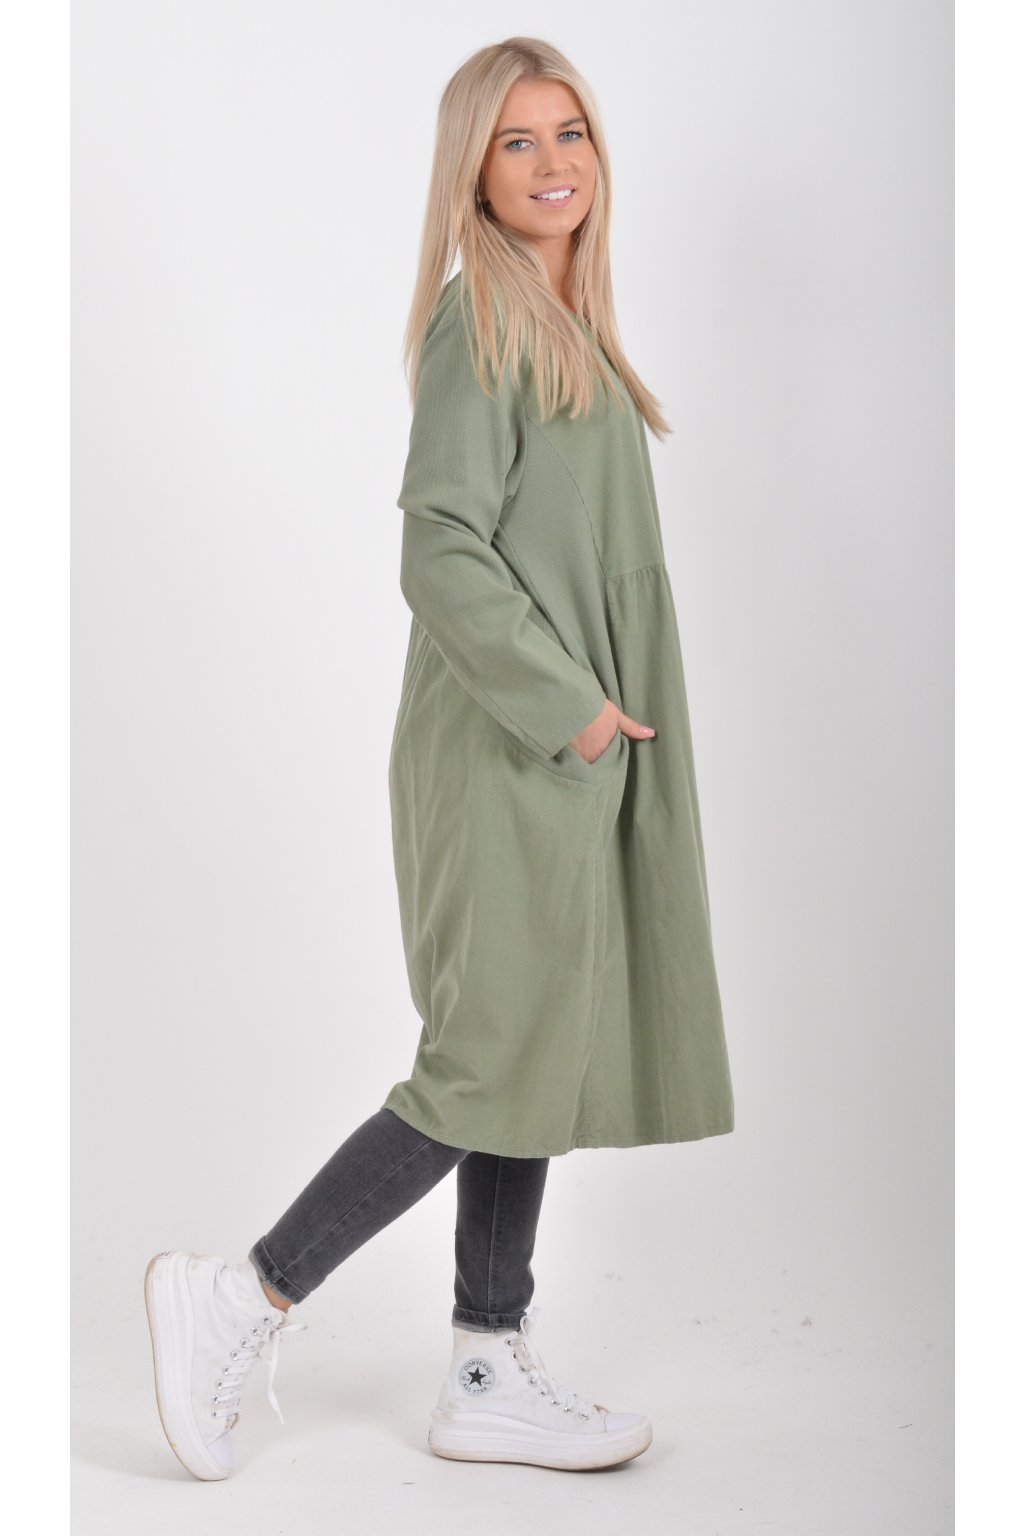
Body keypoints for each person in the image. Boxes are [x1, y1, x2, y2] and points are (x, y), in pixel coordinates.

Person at [144, 34, 734, 1483]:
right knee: (484, 1063)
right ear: (471, 172)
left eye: (569, 131)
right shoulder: (487, 322)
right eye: (516, 140)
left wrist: (593, 727)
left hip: (559, 754)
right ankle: (245, 1292)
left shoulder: (567, 322)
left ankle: (484, 1361)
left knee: (530, 1055)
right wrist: (573, 709)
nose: (552, 162)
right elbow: (440, 547)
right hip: (507, 751)